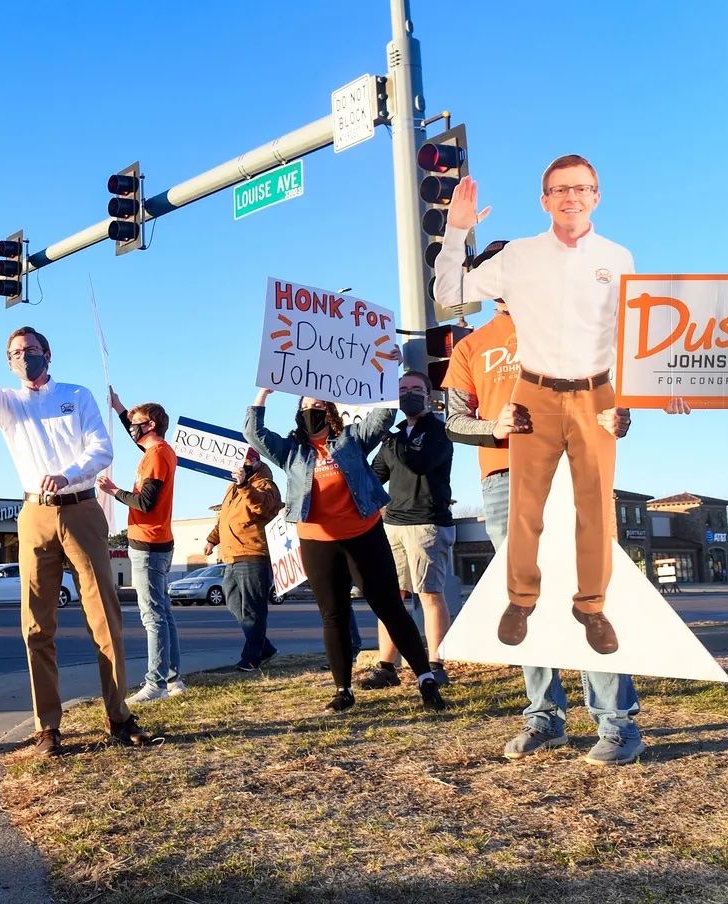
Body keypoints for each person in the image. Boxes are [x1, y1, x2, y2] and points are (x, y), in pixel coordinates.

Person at [441, 241, 645, 766]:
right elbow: (453, 420)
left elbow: (614, 396)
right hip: (504, 480)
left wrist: (617, 417)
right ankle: (544, 719)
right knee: (524, 602)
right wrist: (493, 426)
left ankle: (618, 726)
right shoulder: (470, 347)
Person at [435, 154, 636, 657]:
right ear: (544, 200)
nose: (572, 197)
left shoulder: (618, 258)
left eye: (582, 188)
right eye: (560, 189)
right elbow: (450, 292)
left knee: (596, 511)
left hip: (596, 394)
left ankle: (591, 607)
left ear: (597, 195)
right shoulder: (520, 256)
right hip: (536, 392)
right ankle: (521, 600)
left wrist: (627, 401)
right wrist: (456, 232)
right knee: (527, 510)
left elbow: (630, 338)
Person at [0, 293, 150, 756]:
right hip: (34, 516)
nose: (22, 358)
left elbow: (102, 450)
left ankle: (119, 716)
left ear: (47, 354)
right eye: (14, 353)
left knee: (104, 618)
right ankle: (48, 728)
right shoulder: (9, 404)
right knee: (36, 624)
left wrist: (70, 474)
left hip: (81, 509)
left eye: (29, 350)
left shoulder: (77, 396)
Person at [244, 389, 446, 713]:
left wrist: (380, 379)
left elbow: (382, 417)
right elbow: (254, 433)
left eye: (319, 405)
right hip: (318, 544)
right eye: (307, 406)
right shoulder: (292, 452)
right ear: (298, 413)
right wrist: (263, 393)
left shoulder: (351, 440)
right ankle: (343, 690)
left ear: (331, 411)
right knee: (333, 615)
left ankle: (426, 679)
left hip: (364, 536)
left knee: (390, 607)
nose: (313, 410)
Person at [362, 370, 456, 690]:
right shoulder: (395, 435)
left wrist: (392, 436)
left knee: (429, 595)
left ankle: (436, 664)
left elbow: (419, 464)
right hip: (393, 526)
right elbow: (376, 476)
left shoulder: (438, 431)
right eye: (402, 389)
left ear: (429, 396)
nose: (409, 394)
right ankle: (387, 667)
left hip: (428, 524)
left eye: (416, 389)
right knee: (391, 598)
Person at [96, 392, 184, 703]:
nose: (131, 428)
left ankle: (155, 683)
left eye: (135, 424)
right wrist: (119, 407)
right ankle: (172, 679)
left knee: (153, 616)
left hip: (148, 542)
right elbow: (134, 437)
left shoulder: (157, 455)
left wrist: (114, 490)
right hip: (155, 541)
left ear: (150, 425)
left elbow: (146, 502)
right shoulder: (156, 451)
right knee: (163, 612)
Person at [204, 446, 283, 671]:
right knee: (232, 601)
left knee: (253, 609)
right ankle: (264, 647)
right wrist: (212, 539)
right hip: (231, 555)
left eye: (249, 461)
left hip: (253, 554)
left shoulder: (264, 484)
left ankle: (252, 657)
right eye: (241, 461)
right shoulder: (232, 488)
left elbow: (263, 507)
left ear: (256, 462)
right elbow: (224, 519)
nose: (244, 465)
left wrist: (244, 485)